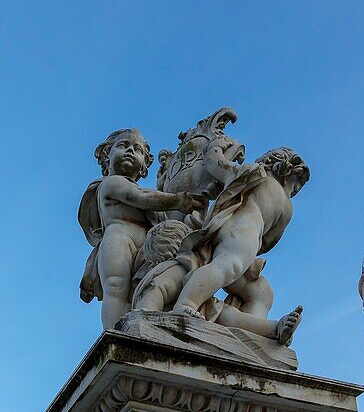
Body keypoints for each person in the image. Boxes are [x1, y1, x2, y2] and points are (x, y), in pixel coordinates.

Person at [77, 128, 205, 329]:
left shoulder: (147, 192)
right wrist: (178, 200)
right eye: (123, 145)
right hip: (118, 240)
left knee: (143, 289)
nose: (130, 151)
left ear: (144, 165)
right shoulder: (111, 183)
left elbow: (163, 213)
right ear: (106, 156)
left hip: (146, 246)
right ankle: (115, 334)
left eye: (137, 149)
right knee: (116, 287)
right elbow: (141, 198)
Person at [169, 142, 309, 320]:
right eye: (295, 186)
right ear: (285, 171)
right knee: (228, 265)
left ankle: (252, 332)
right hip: (243, 233)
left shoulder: (252, 174)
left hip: (234, 234)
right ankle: (186, 304)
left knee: (261, 292)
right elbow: (269, 241)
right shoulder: (272, 190)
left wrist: (216, 147)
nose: (293, 191)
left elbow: (215, 163)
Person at [132, 220, 302, 345]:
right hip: (167, 316)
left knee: (229, 315)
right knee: (228, 316)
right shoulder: (176, 268)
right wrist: (148, 321)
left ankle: (274, 328)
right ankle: (273, 328)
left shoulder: (190, 275)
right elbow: (154, 289)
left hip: (195, 312)